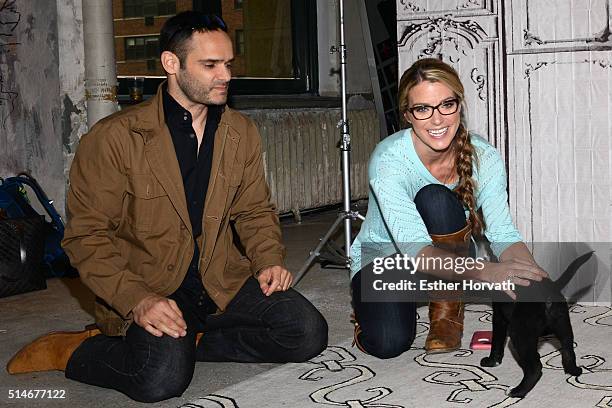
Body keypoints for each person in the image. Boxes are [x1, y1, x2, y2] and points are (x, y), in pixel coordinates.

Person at [6, 11, 327, 402]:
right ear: (171, 64)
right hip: (151, 284)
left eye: (228, 64)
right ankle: (74, 350)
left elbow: (254, 210)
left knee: (305, 331)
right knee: (159, 381)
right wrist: (137, 300)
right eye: (210, 65)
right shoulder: (114, 139)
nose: (224, 75)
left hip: (217, 277)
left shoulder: (240, 132)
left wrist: (268, 259)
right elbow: (86, 237)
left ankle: (191, 343)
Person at [349, 58, 547, 358]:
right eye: (423, 109)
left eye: (447, 104)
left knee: (437, 199)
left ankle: (446, 311)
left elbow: (503, 232)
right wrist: (487, 272)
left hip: (449, 261)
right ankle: (368, 312)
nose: (437, 119)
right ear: (407, 114)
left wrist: (530, 279)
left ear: (459, 104)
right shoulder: (388, 160)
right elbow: (417, 252)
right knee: (389, 343)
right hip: (387, 259)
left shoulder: (485, 157)